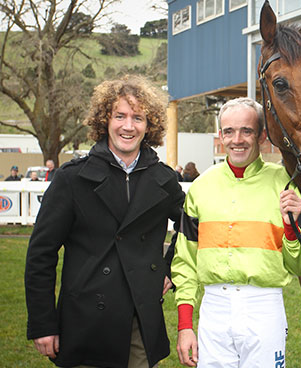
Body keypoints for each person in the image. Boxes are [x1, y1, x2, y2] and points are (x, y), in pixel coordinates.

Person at [24, 75, 185, 368]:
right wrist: (43, 323)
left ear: (149, 126)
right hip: (86, 321)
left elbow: (189, 226)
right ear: (104, 120)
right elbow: (40, 255)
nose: (128, 126)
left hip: (140, 318)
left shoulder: (164, 179)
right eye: (119, 116)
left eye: (138, 117)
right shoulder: (72, 179)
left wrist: (167, 268)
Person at [172, 97, 301, 367]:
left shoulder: (285, 184)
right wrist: (185, 325)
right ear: (220, 135)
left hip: (264, 308)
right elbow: (185, 262)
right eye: (229, 131)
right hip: (214, 308)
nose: (237, 139)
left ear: (262, 135)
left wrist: (291, 227)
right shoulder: (201, 187)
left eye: (246, 131)